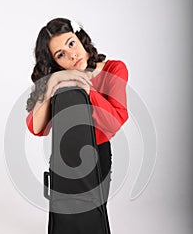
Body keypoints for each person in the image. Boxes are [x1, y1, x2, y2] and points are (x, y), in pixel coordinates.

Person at [26, 17, 129, 201]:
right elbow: (36, 128)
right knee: (65, 215)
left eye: (71, 44)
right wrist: (51, 84)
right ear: (56, 62)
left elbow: (114, 122)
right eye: (60, 55)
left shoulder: (114, 69)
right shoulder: (59, 80)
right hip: (63, 157)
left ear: (81, 38)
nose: (72, 55)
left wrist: (85, 88)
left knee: (93, 215)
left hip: (98, 156)